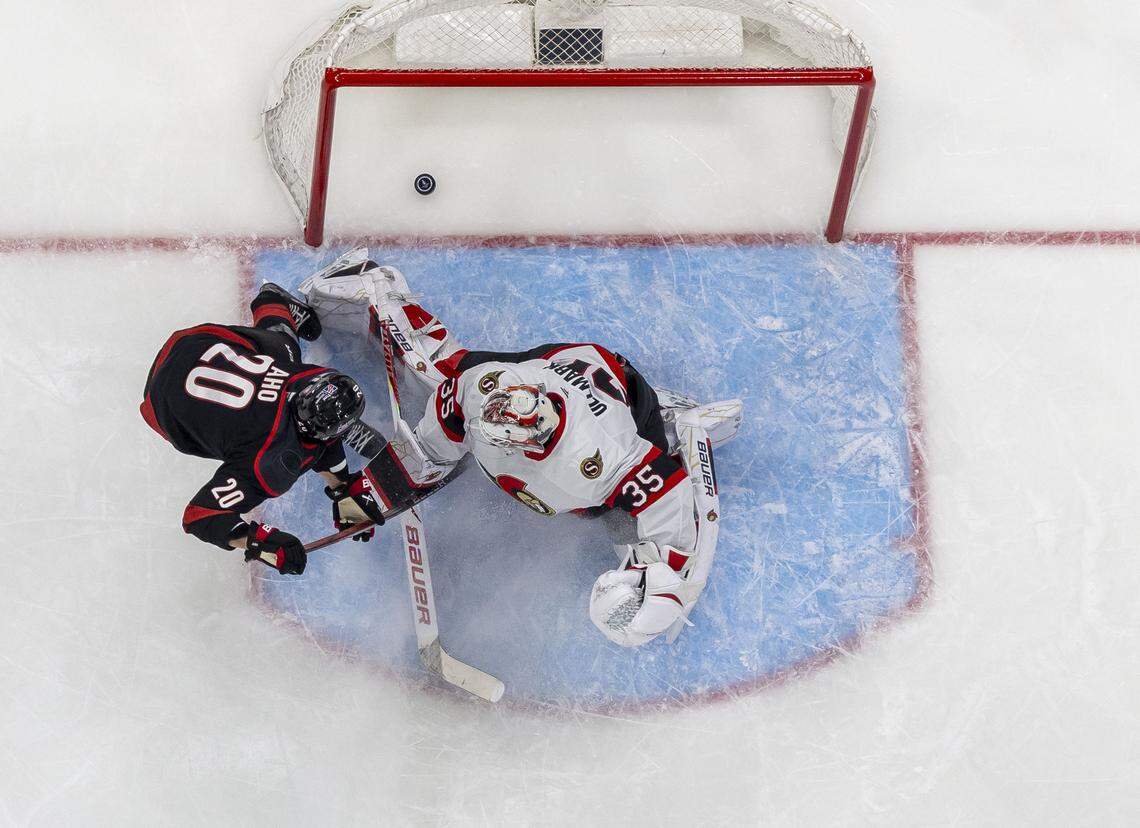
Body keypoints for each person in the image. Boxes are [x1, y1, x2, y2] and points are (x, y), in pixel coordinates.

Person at [301, 248, 743, 646]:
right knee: (434, 369)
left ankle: (668, 417)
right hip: (556, 363)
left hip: (618, 395)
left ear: (534, 438)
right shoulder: (485, 387)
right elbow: (432, 446)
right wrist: (371, 494)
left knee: (622, 523)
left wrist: (657, 583)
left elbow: (671, 502)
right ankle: (376, 284)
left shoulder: (604, 459)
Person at [140, 267, 387, 575]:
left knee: (281, 349)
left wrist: (342, 486)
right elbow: (199, 515)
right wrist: (258, 541)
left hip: (191, 344)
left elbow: (316, 442)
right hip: (162, 410)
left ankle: (272, 299)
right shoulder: (270, 462)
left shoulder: (308, 377)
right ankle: (272, 302)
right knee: (284, 365)